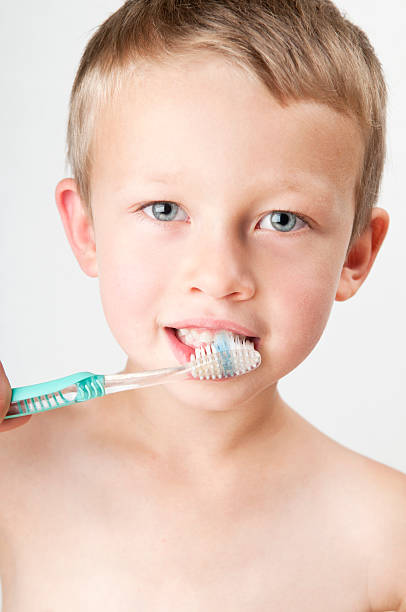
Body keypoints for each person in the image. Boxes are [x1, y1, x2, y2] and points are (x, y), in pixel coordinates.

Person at [0, 0, 405, 609]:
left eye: (282, 219)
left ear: (354, 256)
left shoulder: (385, 534)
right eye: (165, 210)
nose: (219, 278)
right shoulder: (10, 481)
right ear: (86, 231)